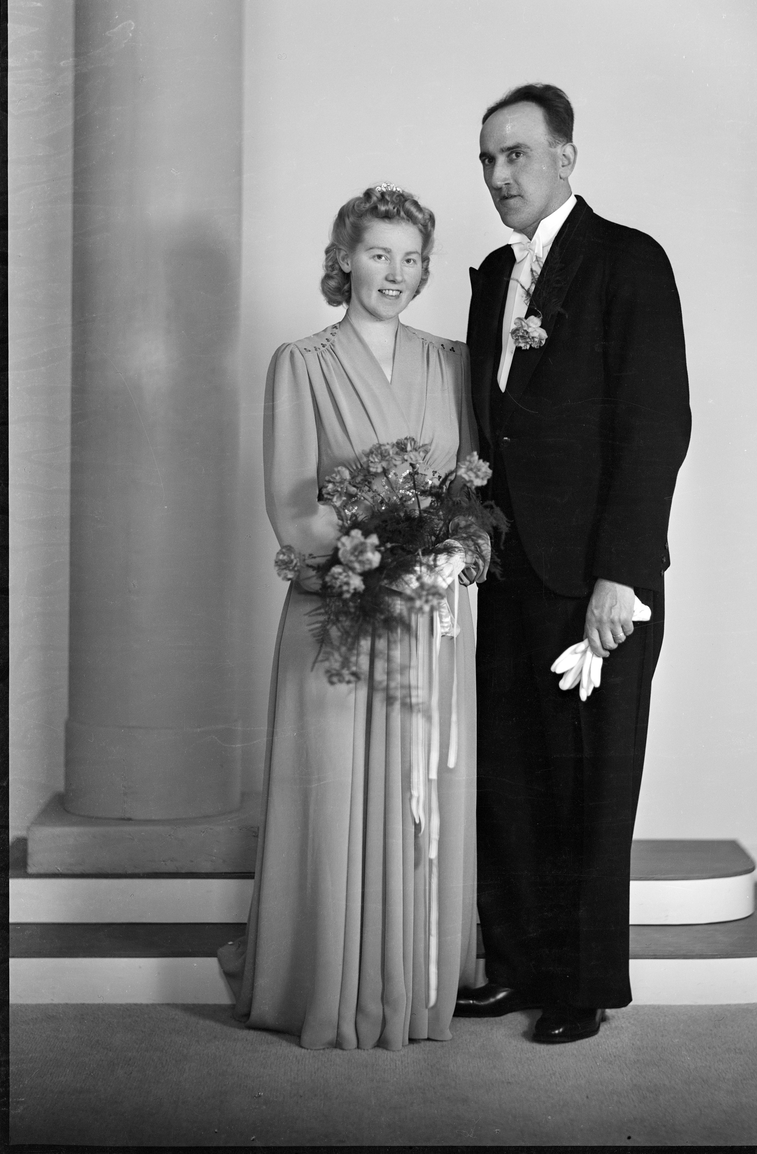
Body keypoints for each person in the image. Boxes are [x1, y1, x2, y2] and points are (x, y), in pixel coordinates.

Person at [218, 184, 483, 1050]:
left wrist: (453, 550)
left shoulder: (451, 362)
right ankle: (328, 987)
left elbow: (471, 489)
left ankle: (414, 989)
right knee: (334, 800)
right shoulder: (300, 362)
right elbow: (293, 507)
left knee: (421, 802)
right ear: (343, 260)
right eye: (377, 254)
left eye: (411, 258)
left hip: (432, 622)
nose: (395, 274)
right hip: (343, 613)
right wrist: (382, 563)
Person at [455, 84, 691, 1043]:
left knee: (589, 789)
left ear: (564, 157)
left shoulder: (627, 261)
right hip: (509, 575)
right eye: (486, 159)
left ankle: (581, 986)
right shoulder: (489, 278)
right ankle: (515, 966)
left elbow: (655, 425)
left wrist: (618, 576)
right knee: (510, 781)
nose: (498, 174)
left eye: (515, 153)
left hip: (598, 581)